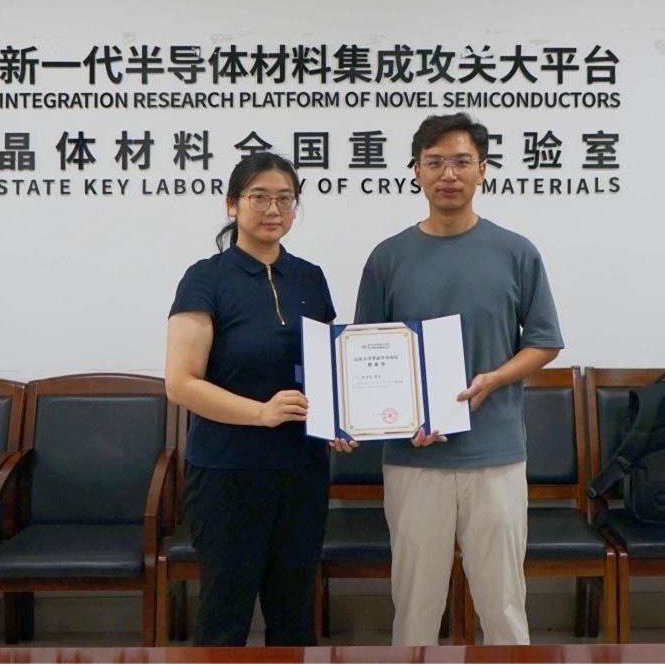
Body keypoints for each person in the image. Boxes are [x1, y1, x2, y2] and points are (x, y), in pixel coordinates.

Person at [354, 113, 563, 646]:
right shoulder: (387, 257)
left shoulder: (516, 252)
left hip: (495, 456)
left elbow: (544, 342)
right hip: (414, 458)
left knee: (504, 605)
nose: (449, 173)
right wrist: (397, 418)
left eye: (462, 161)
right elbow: (367, 355)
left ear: (483, 170)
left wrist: (493, 379)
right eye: (435, 162)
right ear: (416, 172)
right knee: (415, 608)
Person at [165, 151, 353, 647]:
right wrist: (261, 413)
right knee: (225, 614)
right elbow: (181, 383)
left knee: (294, 614)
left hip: (301, 470)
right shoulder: (205, 278)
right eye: (259, 197)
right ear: (232, 204)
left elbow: (326, 368)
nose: (274, 209)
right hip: (228, 473)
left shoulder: (309, 277)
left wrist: (341, 417)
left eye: (285, 199)